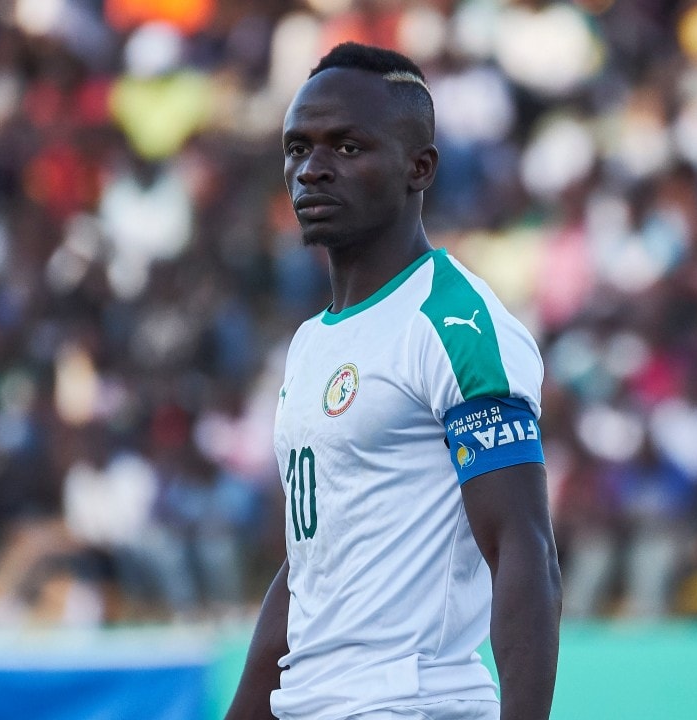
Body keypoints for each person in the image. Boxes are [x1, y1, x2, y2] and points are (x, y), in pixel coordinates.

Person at [225, 43, 561, 720]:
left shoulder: (456, 322)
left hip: (410, 704)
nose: (312, 169)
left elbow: (522, 545)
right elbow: (309, 568)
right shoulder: (310, 343)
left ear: (420, 167)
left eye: (348, 148)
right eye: (298, 149)